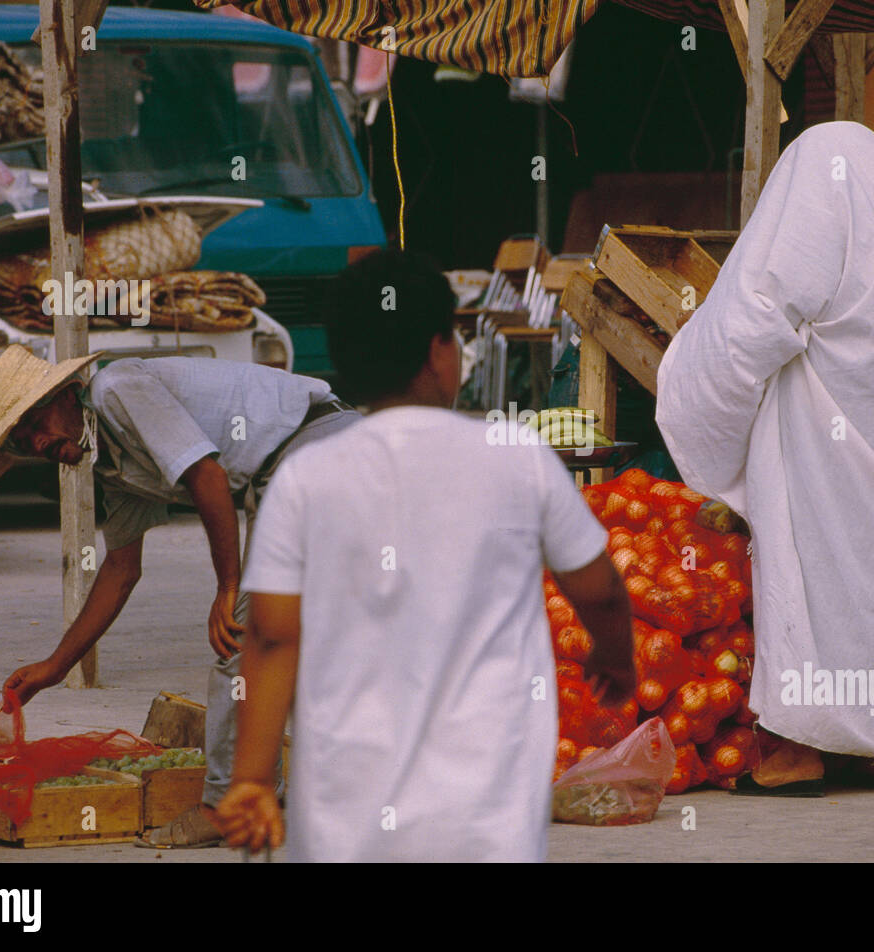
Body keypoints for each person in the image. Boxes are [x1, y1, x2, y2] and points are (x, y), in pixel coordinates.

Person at [212, 249, 635, 861]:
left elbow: (273, 638)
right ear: (442, 351)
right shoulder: (515, 456)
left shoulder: (306, 478)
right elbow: (599, 590)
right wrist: (615, 658)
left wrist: (251, 778)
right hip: (486, 817)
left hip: (345, 815)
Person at [655, 121, 874, 793]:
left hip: (824, 421)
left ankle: (796, 753)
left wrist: (692, 382)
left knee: (810, 569)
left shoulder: (820, 164)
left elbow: (761, 308)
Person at [0, 346, 362, 845]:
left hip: (315, 445)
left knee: (240, 638)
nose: (39, 442)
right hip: (295, 468)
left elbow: (208, 477)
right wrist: (57, 665)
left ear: (66, 395)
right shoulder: (112, 466)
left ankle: (226, 804)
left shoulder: (116, 392)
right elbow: (121, 569)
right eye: (24, 441)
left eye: (36, 422)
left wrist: (228, 587)